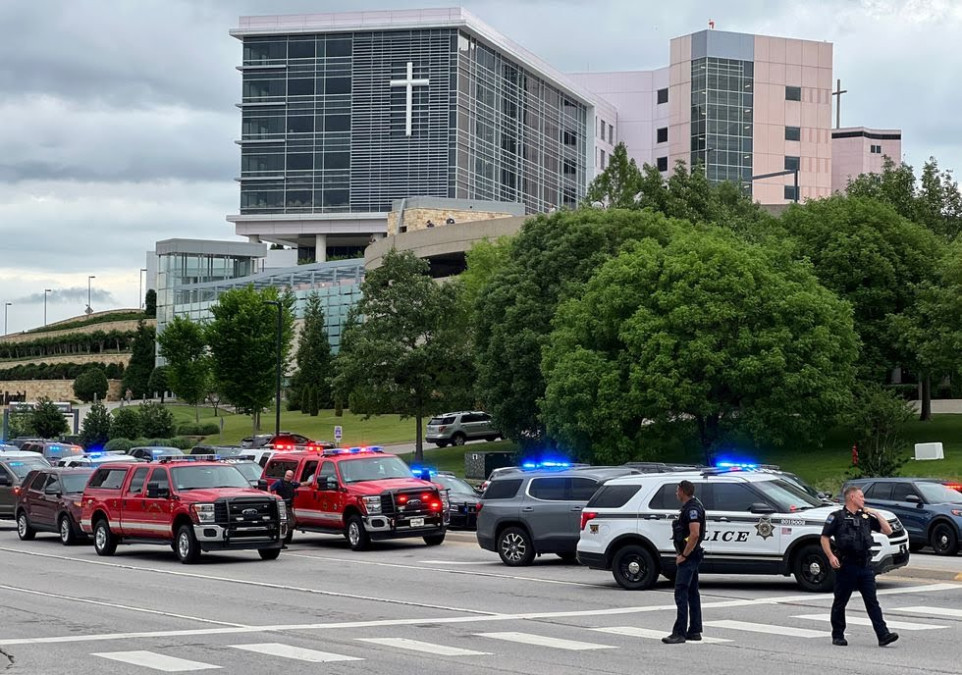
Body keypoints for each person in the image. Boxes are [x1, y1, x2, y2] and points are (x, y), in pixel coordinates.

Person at [820, 485, 899, 647]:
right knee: (841, 601)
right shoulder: (837, 516)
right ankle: (838, 635)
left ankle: (883, 635)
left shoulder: (866, 517)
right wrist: (830, 556)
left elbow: (888, 531)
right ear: (852, 498)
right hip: (847, 565)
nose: (864, 499)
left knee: (872, 601)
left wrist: (876, 514)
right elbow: (824, 537)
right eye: (861, 496)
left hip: (865, 565)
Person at [663, 480, 706, 644]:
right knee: (692, 593)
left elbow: (694, 534)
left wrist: (684, 555)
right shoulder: (690, 506)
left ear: (682, 491)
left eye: (677, 490)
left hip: (690, 556)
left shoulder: (692, 509)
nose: (676, 493)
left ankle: (679, 632)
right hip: (692, 555)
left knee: (681, 592)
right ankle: (694, 630)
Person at [270, 470, 300, 546]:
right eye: (287, 475)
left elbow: (300, 484)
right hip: (283, 506)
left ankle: (284, 538)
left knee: (290, 523)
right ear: (285, 475)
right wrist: (272, 498)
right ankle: (282, 540)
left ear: (292, 477)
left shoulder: (292, 483)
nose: (288, 477)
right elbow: (270, 488)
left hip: (289, 506)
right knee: (287, 523)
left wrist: (311, 481)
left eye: (290, 476)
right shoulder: (279, 482)